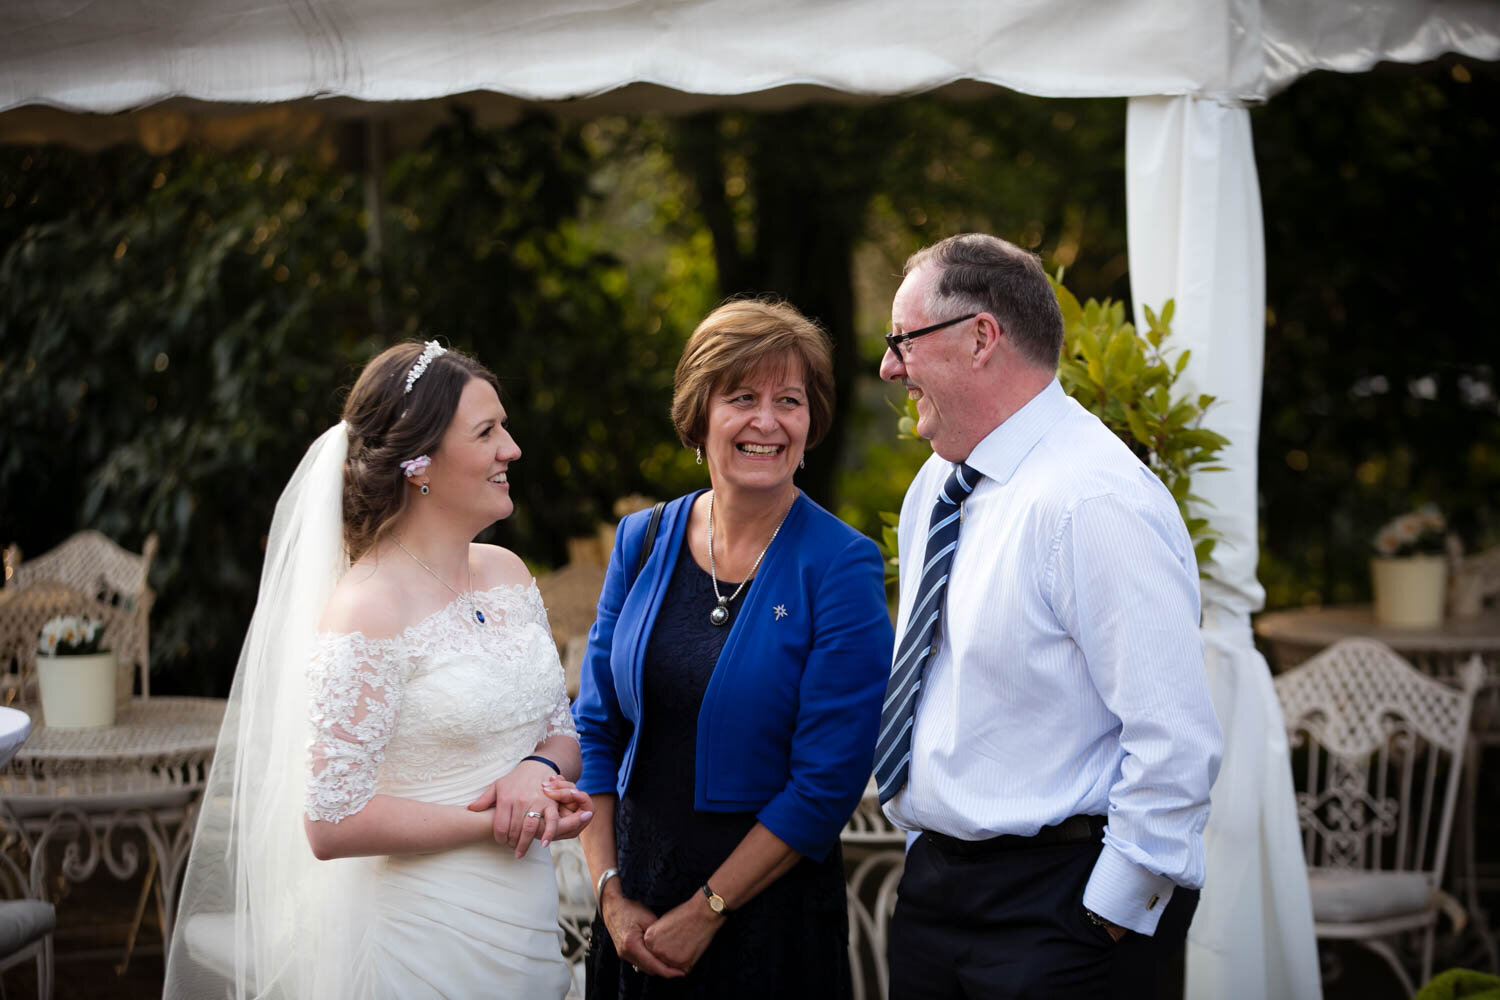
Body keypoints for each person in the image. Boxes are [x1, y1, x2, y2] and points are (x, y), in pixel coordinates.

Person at [165, 340, 592, 999]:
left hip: (527, 929)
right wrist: (499, 819)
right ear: (419, 464)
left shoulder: (506, 574)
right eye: (487, 432)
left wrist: (537, 775)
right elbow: (332, 820)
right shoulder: (369, 608)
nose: (513, 449)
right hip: (424, 940)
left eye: (504, 426)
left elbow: (561, 733)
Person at [875, 234, 1223, 999]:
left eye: (902, 340)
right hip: (936, 895)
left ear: (980, 338)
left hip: (1060, 914)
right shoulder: (936, 488)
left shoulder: (1095, 501)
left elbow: (1175, 739)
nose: (888, 366)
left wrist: (1107, 916)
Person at [573, 299, 894, 998]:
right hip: (632, 910)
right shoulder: (643, 540)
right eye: (742, 398)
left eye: (790, 400)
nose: (768, 421)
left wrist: (706, 911)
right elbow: (596, 729)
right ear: (700, 414)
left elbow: (826, 784)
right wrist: (608, 894)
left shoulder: (841, 565)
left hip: (765, 923)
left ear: (811, 426)